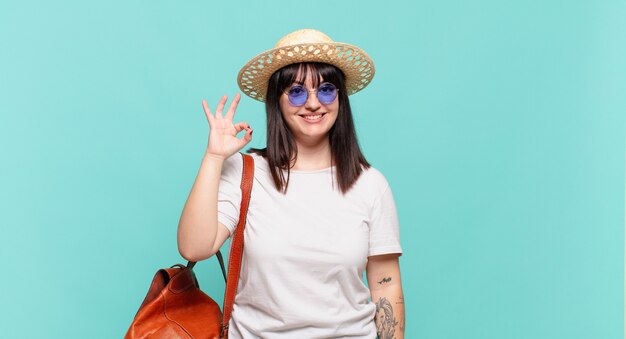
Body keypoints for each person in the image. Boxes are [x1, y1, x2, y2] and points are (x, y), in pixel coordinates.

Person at [177, 28, 405, 339]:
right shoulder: (247, 172)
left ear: (340, 98)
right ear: (277, 102)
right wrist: (214, 157)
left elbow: (385, 282)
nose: (313, 103)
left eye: (325, 89)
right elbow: (194, 247)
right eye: (297, 92)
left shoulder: (370, 184)